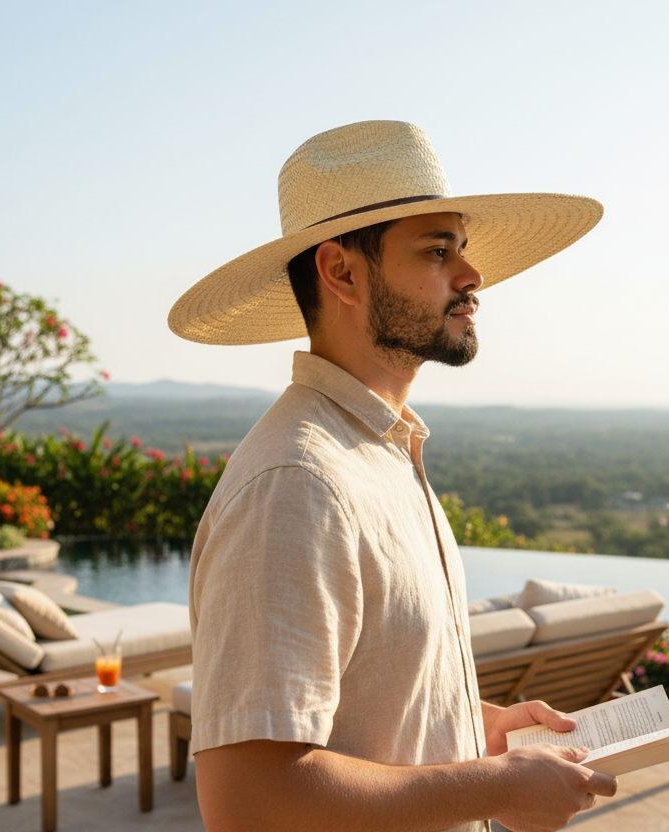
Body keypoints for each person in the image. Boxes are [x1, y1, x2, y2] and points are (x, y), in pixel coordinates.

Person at [169, 120, 617, 832]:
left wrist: (478, 729)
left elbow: (367, 703)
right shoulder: (298, 484)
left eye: (461, 249)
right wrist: (493, 787)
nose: (471, 276)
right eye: (438, 251)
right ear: (342, 272)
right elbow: (247, 801)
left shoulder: (380, 454)